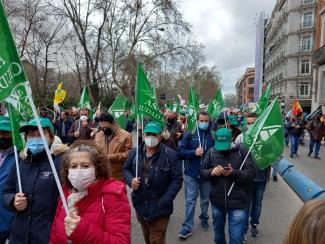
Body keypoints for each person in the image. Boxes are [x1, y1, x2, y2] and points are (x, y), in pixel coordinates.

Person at [50, 140, 131, 243]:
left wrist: (82, 231)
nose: (78, 171)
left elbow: (121, 241)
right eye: (74, 166)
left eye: (85, 166)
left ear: (97, 169)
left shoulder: (113, 195)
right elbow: (55, 237)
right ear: (67, 170)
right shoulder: (64, 194)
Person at [2, 118, 68, 243]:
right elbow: (6, 192)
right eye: (32, 135)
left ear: (51, 137)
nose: (36, 138)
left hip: (48, 234)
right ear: (26, 138)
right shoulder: (20, 161)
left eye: (41, 134)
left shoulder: (61, 162)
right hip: (19, 234)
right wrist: (13, 201)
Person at [123, 122, 183, 244]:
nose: (150, 137)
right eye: (148, 134)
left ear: (160, 136)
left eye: (154, 135)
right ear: (143, 135)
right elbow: (126, 169)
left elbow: (177, 180)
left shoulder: (170, 155)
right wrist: (130, 181)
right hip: (140, 205)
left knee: (156, 240)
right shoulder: (135, 153)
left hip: (160, 209)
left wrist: (165, 200)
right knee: (148, 238)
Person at [201, 128, 255, 244]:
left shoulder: (242, 151)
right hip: (217, 201)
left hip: (238, 202)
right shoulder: (211, 151)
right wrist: (211, 172)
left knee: (236, 238)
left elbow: (251, 174)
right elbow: (202, 171)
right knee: (219, 236)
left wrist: (233, 172)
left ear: (232, 139)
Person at [178, 111, 214, 239]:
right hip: (191, 174)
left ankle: (204, 218)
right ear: (197, 121)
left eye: (206, 121)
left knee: (205, 200)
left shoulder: (212, 135)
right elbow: (180, 152)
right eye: (202, 121)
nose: (204, 123)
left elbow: (217, 153)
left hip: (206, 174)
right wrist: (194, 152)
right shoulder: (190, 134)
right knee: (190, 200)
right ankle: (187, 226)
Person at [94, 113, 132, 181]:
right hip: (101, 175)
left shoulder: (126, 135)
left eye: (106, 127)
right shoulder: (98, 135)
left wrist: (110, 157)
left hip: (117, 176)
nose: (104, 130)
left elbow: (129, 154)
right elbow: (94, 151)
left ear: (113, 123)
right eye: (102, 128)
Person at [0, 116, 15, 244]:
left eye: (5, 133)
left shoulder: (21, 157)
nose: (2, 136)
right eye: (0, 133)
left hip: (8, 218)